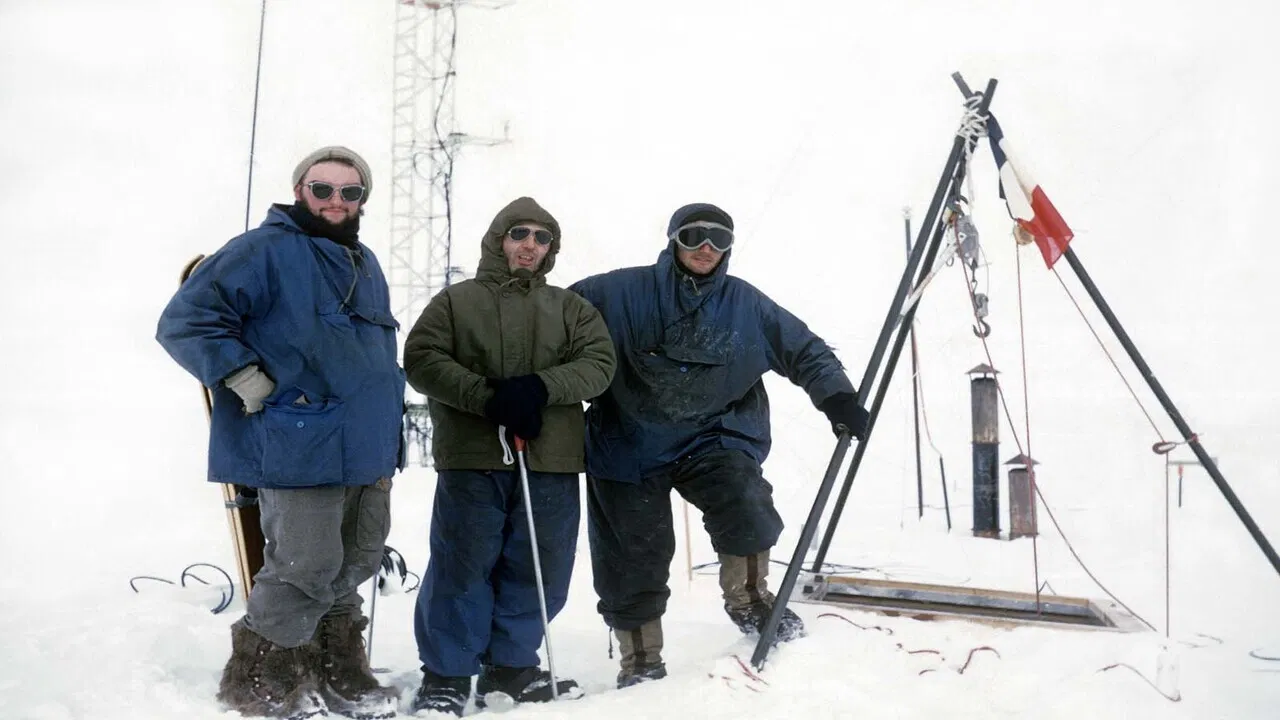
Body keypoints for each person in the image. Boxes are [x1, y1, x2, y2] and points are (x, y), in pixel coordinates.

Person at [568, 202, 869, 688]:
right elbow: (551, 324)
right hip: (627, 442)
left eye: (720, 239)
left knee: (745, 499)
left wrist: (837, 398)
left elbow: (804, 350)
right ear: (673, 240)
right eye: (695, 236)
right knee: (631, 552)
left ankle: (749, 600)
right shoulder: (614, 293)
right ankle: (640, 658)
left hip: (714, 438)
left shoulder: (745, 305)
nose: (707, 248)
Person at [156, 146, 405, 720]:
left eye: (350, 191)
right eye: (323, 189)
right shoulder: (262, 250)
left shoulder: (364, 260)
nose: (336, 201)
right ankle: (262, 685)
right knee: (304, 566)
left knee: (356, 560)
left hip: (366, 445)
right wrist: (244, 377)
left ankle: (337, 671)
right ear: (299, 192)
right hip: (299, 441)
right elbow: (185, 321)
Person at [402, 197, 617, 716]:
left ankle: (512, 666)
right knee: (462, 564)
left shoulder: (570, 308)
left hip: (551, 460)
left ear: (550, 249)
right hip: (474, 456)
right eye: (520, 233)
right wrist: (486, 397)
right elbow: (422, 358)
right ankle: (448, 674)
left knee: (539, 566)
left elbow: (599, 364)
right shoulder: (456, 302)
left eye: (542, 238)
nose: (530, 245)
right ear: (499, 239)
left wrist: (541, 388)